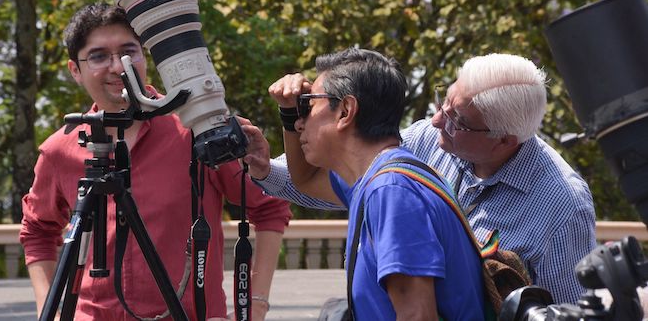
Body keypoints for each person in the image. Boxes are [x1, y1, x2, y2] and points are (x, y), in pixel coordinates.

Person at [246, 53, 596, 305]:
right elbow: (318, 178)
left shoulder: (564, 204)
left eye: (457, 119)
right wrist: (266, 164)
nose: (435, 121)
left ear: (504, 139)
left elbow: (575, 311)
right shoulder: (421, 146)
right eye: (443, 101)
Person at [19, 3, 292, 321]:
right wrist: (46, 309)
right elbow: (37, 230)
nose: (117, 67)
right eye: (98, 56)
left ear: (144, 56)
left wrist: (253, 307)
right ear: (74, 70)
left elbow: (269, 207)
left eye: (128, 52)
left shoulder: (195, 128)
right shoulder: (60, 149)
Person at [242, 47, 485, 320]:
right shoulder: (377, 178)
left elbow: (416, 315)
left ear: (346, 111)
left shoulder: (391, 191)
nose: (300, 124)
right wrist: (287, 113)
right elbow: (306, 178)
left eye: (308, 106)